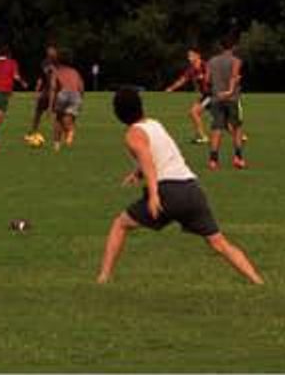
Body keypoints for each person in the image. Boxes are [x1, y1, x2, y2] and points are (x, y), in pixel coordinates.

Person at [96, 87, 263, 286]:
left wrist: (154, 195)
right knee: (219, 243)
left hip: (168, 192)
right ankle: (257, 281)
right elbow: (163, 153)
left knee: (120, 224)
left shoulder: (133, 134)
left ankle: (103, 277)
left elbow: (148, 159)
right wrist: (136, 174)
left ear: (118, 113)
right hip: (191, 189)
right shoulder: (154, 124)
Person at [204, 36, 247, 170]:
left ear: (221, 47)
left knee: (217, 129)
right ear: (233, 47)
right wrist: (230, 90)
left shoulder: (211, 61)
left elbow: (206, 80)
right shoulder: (236, 61)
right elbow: (234, 76)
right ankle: (238, 158)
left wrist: (216, 89)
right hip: (232, 98)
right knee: (236, 128)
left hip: (216, 98)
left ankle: (213, 160)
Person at [163, 49, 210, 144]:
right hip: (205, 95)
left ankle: (203, 137)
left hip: (211, 94)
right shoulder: (191, 69)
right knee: (221, 118)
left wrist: (205, 79)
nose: (189, 58)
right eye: (188, 56)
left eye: (191, 55)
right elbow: (182, 80)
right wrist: (171, 88)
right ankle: (240, 135)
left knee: (194, 113)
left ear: (198, 56)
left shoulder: (205, 66)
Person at [24, 47, 60, 147]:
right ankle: (32, 133)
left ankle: (56, 141)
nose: (51, 54)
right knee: (37, 114)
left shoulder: (57, 66)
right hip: (45, 92)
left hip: (54, 93)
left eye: (53, 52)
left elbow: (54, 85)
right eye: (50, 52)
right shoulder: (45, 63)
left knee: (55, 117)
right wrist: (37, 90)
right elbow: (41, 77)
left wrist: (50, 106)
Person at [51, 57, 87, 149]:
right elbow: (81, 87)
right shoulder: (75, 72)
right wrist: (81, 100)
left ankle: (56, 145)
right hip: (76, 94)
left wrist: (51, 104)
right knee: (69, 120)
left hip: (64, 93)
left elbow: (53, 88)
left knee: (58, 119)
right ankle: (70, 133)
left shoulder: (57, 71)